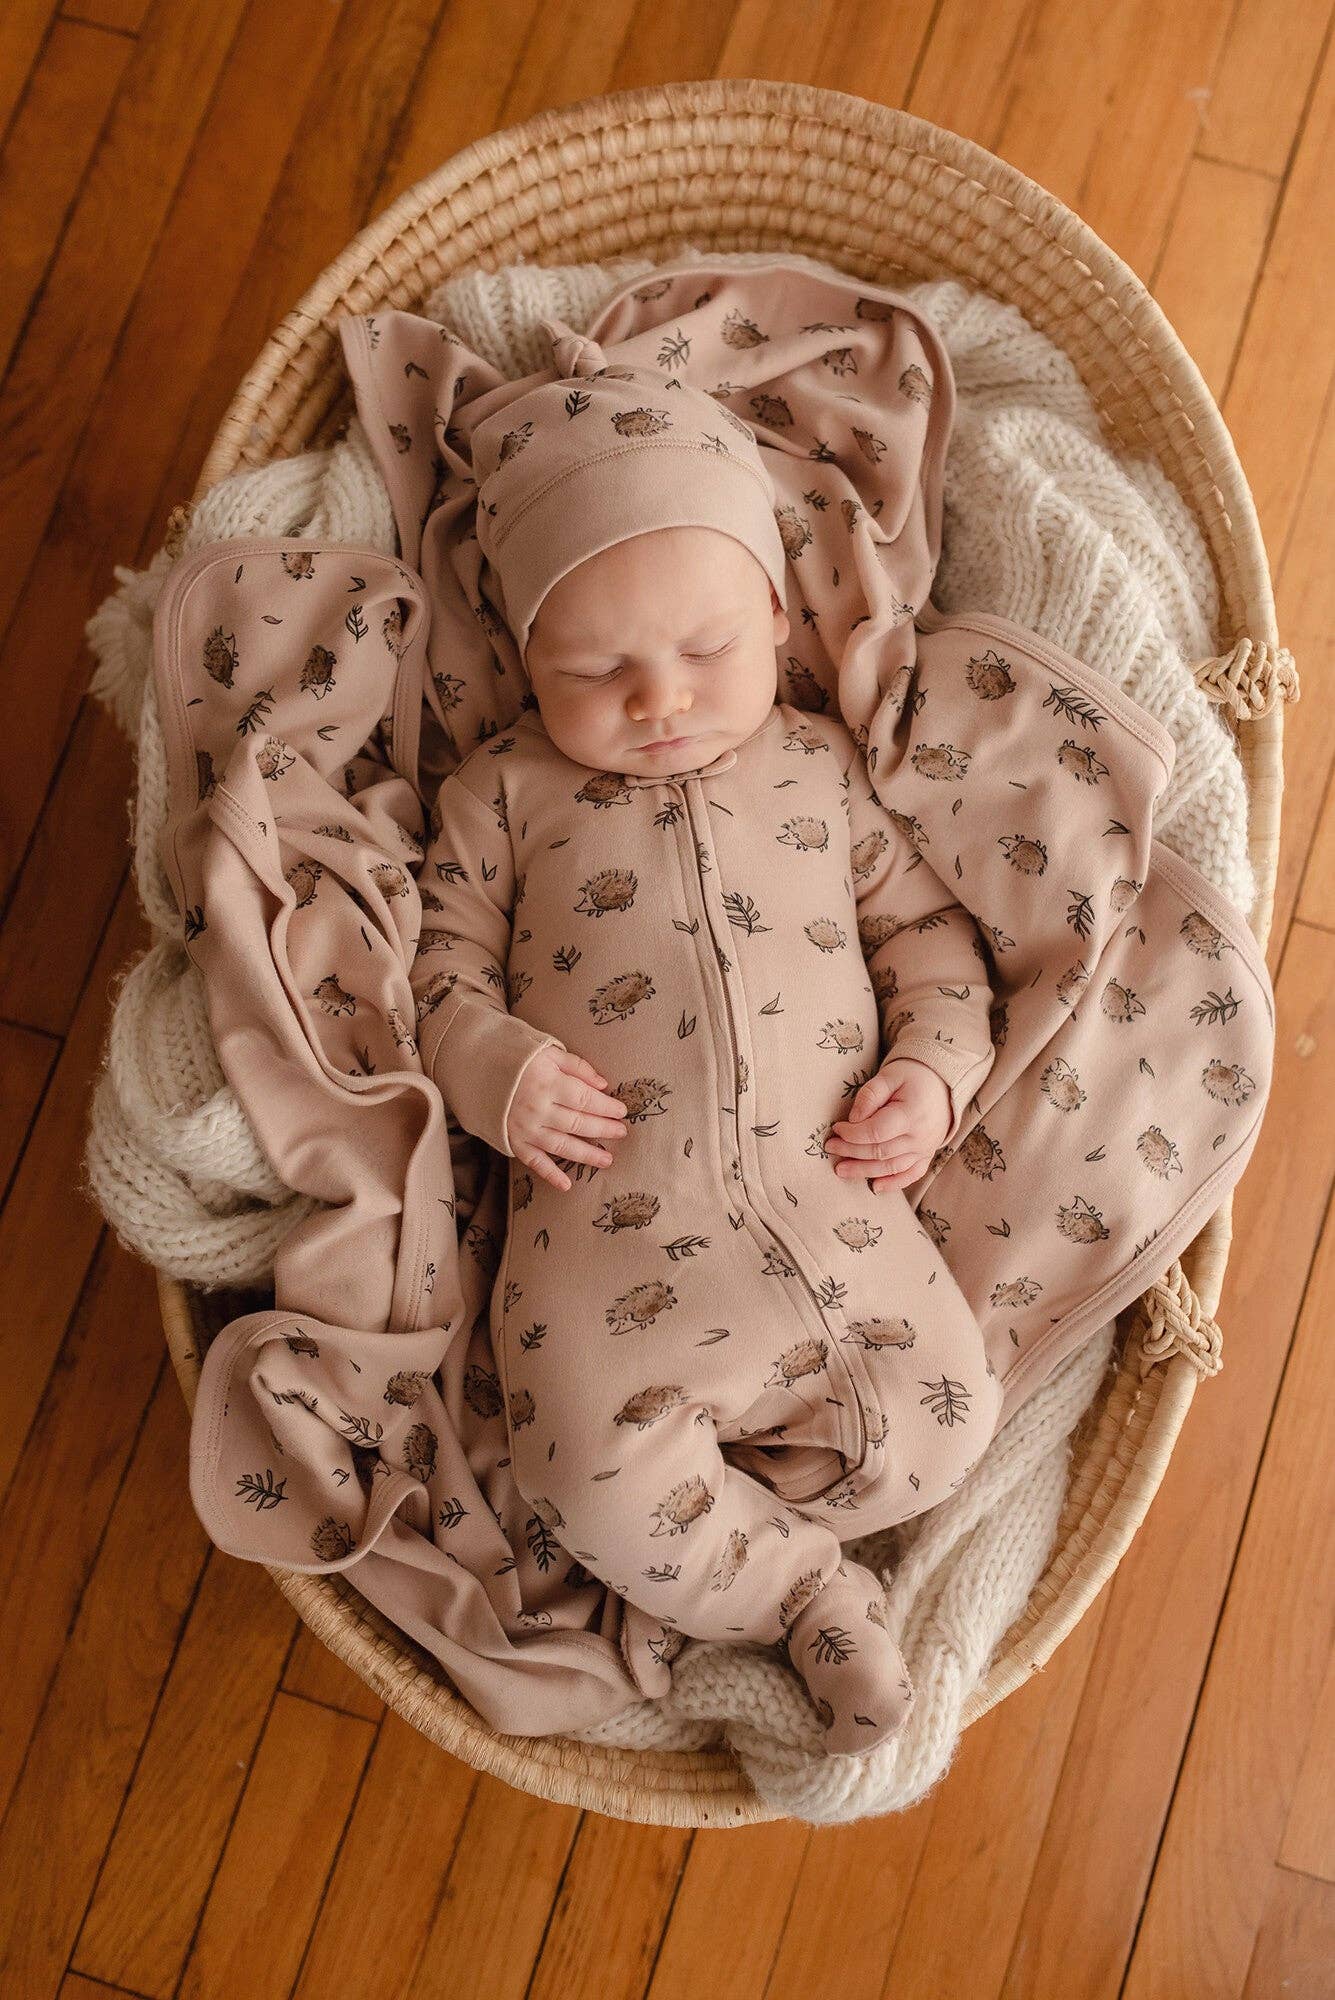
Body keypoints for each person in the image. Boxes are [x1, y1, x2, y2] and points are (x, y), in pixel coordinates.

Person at [408, 341, 1004, 1756]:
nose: (661, 700)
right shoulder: (505, 792)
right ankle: (799, 1588)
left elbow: (932, 943)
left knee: (953, 1417)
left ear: (779, 618)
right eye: (595, 668)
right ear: (523, 657)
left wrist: (933, 1074)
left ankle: (757, 1525)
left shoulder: (821, 768)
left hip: (843, 1230)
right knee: (580, 1477)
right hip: (604, 1272)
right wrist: (495, 1068)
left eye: (709, 651)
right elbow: (427, 975)